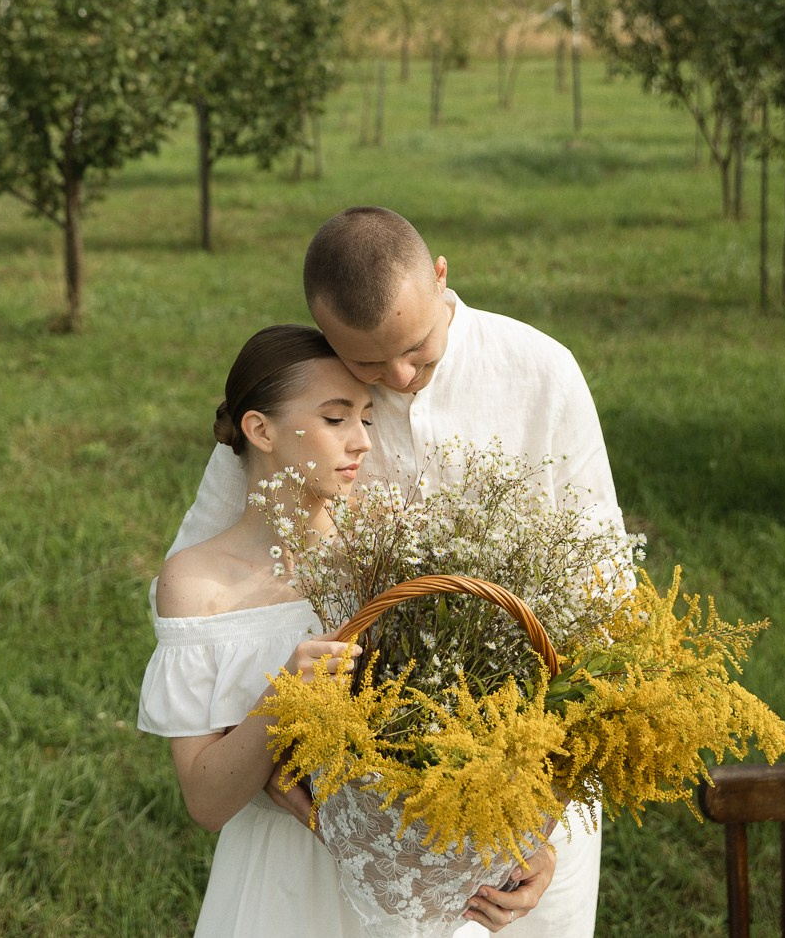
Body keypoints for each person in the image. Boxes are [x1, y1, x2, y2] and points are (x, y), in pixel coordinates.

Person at [169, 206, 624, 938]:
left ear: (441, 275)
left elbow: (606, 600)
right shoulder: (311, 397)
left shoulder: (539, 373)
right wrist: (269, 757)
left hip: (527, 812)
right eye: (371, 365)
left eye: (417, 349)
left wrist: (546, 817)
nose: (401, 376)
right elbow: (213, 604)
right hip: (346, 835)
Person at [140, 324, 548, 936]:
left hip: (416, 866)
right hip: (285, 878)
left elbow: (483, 716)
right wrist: (283, 701)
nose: (360, 441)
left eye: (366, 419)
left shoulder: (389, 552)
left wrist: (521, 836)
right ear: (260, 429)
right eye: (335, 419)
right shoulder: (198, 584)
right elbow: (205, 801)